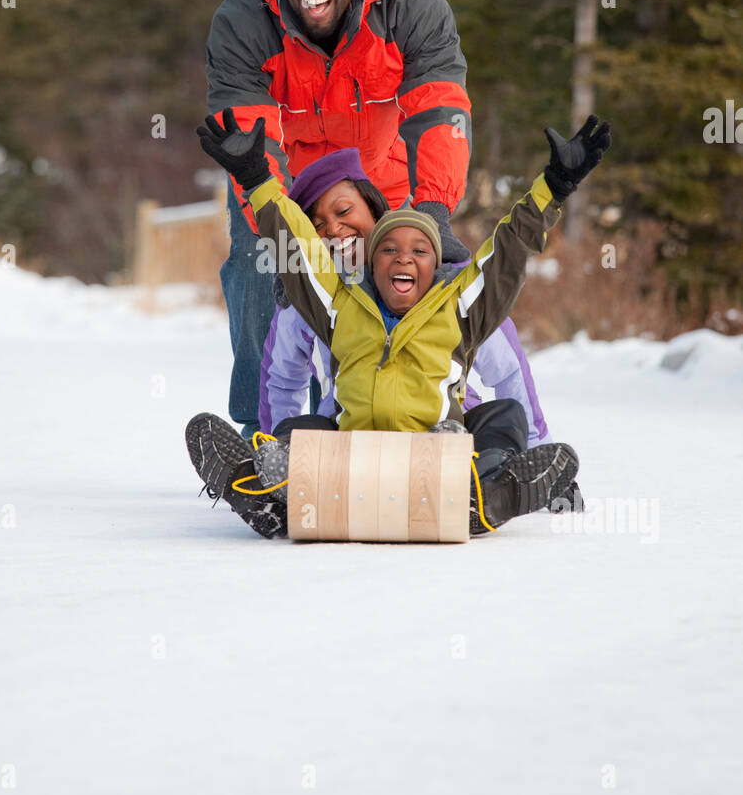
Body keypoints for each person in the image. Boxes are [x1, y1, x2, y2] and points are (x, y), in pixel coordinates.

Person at [186, 110, 611, 539]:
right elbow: (298, 254)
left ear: (438, 264)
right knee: (299, 430)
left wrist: (554, 186)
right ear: (374, 259)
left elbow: (509, 251)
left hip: (439, 452)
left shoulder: (459, 308)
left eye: (419, 251)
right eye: (389, 249)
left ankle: (483, 491)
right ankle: (271, 493)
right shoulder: (337, 305)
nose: (403, 257)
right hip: (354, 456)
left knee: (504, 415)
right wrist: (256, 178)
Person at [206, 0, 471, 436]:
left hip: (385, 180)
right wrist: (283, 235)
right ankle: (266, 435)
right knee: (262, 276)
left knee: (408, 286)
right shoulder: (242, 22)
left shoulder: (410, 6)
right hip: (288, 187)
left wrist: (433, 211)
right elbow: (251, 147)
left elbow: (440, 110)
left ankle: (417, 421)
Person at [258, 148, 553, 457]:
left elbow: (507, 371)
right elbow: (281, 380)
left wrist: (535, 451)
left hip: (446, 428)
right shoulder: (311, 302)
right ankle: (277, 479)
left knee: (503, 419)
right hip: (352, 435)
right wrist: (272, 446)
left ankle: (493, 480)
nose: (332, 229)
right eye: (317, 225)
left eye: (343, 211)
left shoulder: (450, 291)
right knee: (298, 432)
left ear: (373, 208)